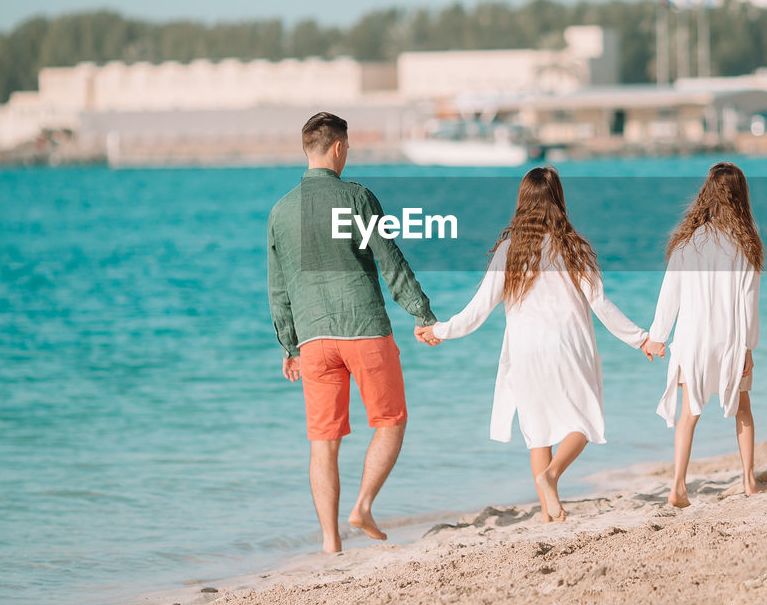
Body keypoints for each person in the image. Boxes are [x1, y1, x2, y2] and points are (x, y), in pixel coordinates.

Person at [418, 166, 656, 521]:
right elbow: (600, 303)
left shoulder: (509, 251)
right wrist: (641, 339)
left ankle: (548, 512)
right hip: (567, 344)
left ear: (523, 202)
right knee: (585, 421)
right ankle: (552, 478)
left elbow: (478, 309)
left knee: (538, 432)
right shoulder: (574, 248)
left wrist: (440, 330)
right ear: (558, 200)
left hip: (525, 350)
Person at [267, 112, 437, 553]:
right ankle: (362, 506)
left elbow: (278, 286)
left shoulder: (280, 212)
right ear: (339, 148)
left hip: (313, 341)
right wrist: (422, 312)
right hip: (364, 329)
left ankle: (329, 542)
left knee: (323, 442)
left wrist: (289, 345)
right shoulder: (357, 198)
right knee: (391, 421)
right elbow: (390, 260)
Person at [646, 162, 764, 507]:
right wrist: (748, 347)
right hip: (729, 338)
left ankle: (678, 487)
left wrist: (658, 336)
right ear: (741, 196)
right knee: (743, 406)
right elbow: (749, 301)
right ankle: (748, 479)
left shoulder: (688, 241)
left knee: (689, 413)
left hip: (693, 339)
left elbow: (670, 293)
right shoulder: (746, 243)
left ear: (706, 194)